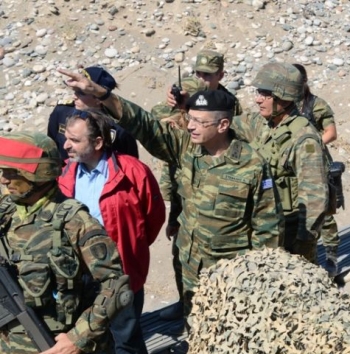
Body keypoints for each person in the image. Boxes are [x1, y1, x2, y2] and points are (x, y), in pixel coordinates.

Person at [58, 68, 283, 324]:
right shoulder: (184, 147)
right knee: (196, 330)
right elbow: (144, 124)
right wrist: (102, 94)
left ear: (223, 125)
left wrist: (259, 280)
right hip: (190, 267)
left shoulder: (251, 165)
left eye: (200, 122)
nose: (191, 126)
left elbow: (268, 229)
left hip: (231, 271)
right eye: (191, 118)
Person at [0, 132, 131, 354]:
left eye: (11, 173)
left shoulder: (73, 221)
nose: (3, 179)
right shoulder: (5, 213)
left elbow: (116, 286)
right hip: (5, 353)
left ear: (37, 174)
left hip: (54, 352)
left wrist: (77, 339)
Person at [57, 110, 166, 354]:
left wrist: (133, 247)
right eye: (66, 137)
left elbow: (153, 216)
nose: (66, 145)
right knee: (84, 332)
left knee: (126, 329)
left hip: (122, 269)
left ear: (98, 143)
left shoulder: (133, 171)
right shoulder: (65, 173)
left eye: (74, 140)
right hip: (79, 272)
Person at [231, 62, 328, 263]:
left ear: (284, 98)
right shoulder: (261, 122)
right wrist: (190, 105)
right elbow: (223, 125)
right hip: (265, 228)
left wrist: (303, 243)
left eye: (266, 94)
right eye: (258, 92)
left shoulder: (303, 138)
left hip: (291, 235)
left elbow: (314, 196)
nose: (258, 99)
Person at [151, 76, 207, 321]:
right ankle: (185, 305)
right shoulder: (172, 120)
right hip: (181, 201)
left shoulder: (207, 136)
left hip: (205, 216)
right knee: (179, 259)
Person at [292, 63, 342, 274]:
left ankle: (331, 254)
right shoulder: (285, 105)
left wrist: (309, 146)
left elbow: (331, 133)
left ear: (304, 83)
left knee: (323, 209)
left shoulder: (315, 105)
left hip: (317, 163)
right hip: (292, 163)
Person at [48, 66, 139, 163]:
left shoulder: (119, 128)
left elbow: (131, 164)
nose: (74, 96)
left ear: (98, 99)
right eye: (74, 91)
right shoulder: (62, 112)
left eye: (81, 93)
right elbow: (50, 149)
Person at [166, 49, 243, 117]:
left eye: (207, 75)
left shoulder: (229, 102)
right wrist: (171, 97)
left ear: (220, 76)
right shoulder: (187, 87)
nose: (201, 79)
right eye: (198, 73)